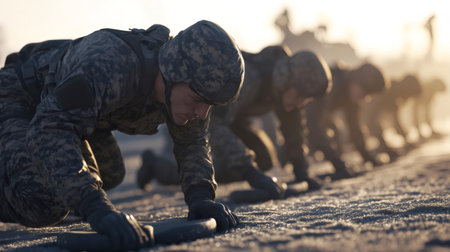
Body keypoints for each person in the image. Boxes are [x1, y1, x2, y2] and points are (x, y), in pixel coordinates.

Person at [0, 20, 244, 250]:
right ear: (173, 73)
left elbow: (193, 143)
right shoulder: (111, 63)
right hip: (20, 94)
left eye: (210, 105)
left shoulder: (187, 86)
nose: (202, 113)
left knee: (110, 172)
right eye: (198, 101)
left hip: (67, 112)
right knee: (42, 201)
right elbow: (50, 128)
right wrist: (96, 208)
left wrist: (201, 197)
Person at [137, 46, 332, 196]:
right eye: (299, 96)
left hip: (233, 121)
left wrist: (302, 171)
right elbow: (213, 123)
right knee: (225, 167)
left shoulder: (286, 90)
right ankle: (157, 167)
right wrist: (249, 171)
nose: (300, 104)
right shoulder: (250, 77)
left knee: (263, 157)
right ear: (287, 80)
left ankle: (166, 168)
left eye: (305, 100)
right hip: (195, 115)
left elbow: (294, 132)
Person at [305, 62, 389, 180]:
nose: (364, 98)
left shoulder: (350, 92)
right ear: (355, 81)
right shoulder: (332, 85)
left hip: (317, 115)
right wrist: (337, 163)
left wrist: (367, 157)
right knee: (328, 131)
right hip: (302, 111)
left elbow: (354, 127)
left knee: (335, 129)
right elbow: (313, 125)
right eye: (364, 92)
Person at [362, 74, 422, 159]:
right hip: (362, 113)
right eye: (409, 95)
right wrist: (382, 142)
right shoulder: (387, 90)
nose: (408, 99)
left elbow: (396, 121)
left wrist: (406, 138)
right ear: (407, 89)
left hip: (368, 116)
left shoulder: (396, 96)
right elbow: (369, 116)